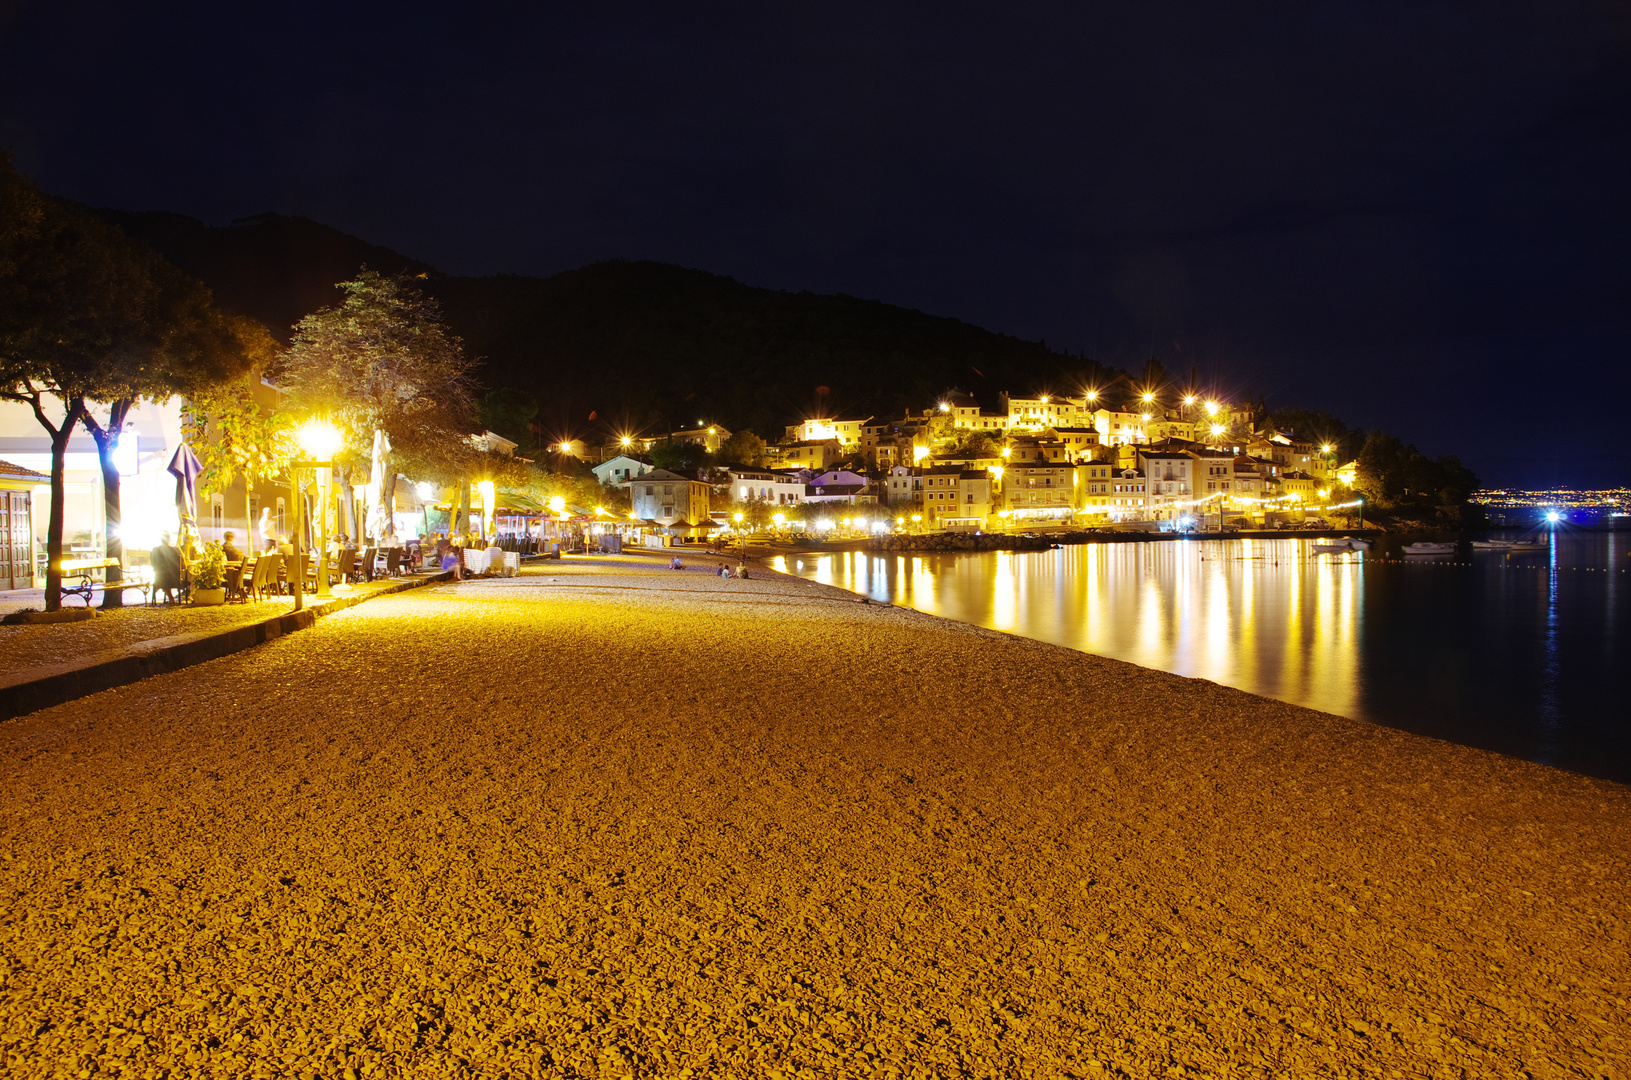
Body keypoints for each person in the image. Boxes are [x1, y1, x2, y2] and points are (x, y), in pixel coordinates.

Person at [150, 531, 182, 604]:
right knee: (165, 577)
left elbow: (153, 564)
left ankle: (170, 597)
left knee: (162, 577)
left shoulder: (156, 550)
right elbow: (183, 564)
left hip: (161, 579)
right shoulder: (176, 550)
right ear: (169, 539)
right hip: (175, 579)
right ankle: (170, 598)